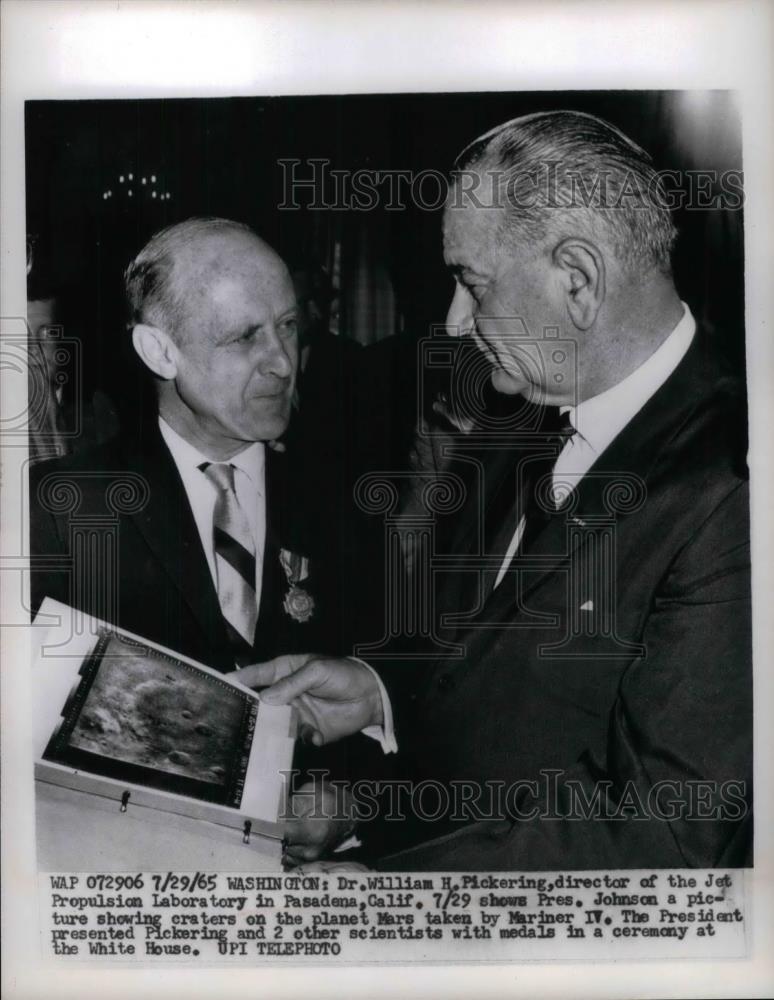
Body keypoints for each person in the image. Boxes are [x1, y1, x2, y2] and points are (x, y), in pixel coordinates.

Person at [234, 111, 752, 871]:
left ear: (577, 280)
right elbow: (496, 673)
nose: (452, 322)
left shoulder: (735, 484)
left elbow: (662, 831)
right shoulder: (524, 418)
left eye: (471, 283)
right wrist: (379, 695)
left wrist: (378, 889)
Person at [30, 217, 330, 671]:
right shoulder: (58, 509)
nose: (283, 364)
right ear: (159, 351)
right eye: (245, 336)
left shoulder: (341, 499)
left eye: (288, 325)